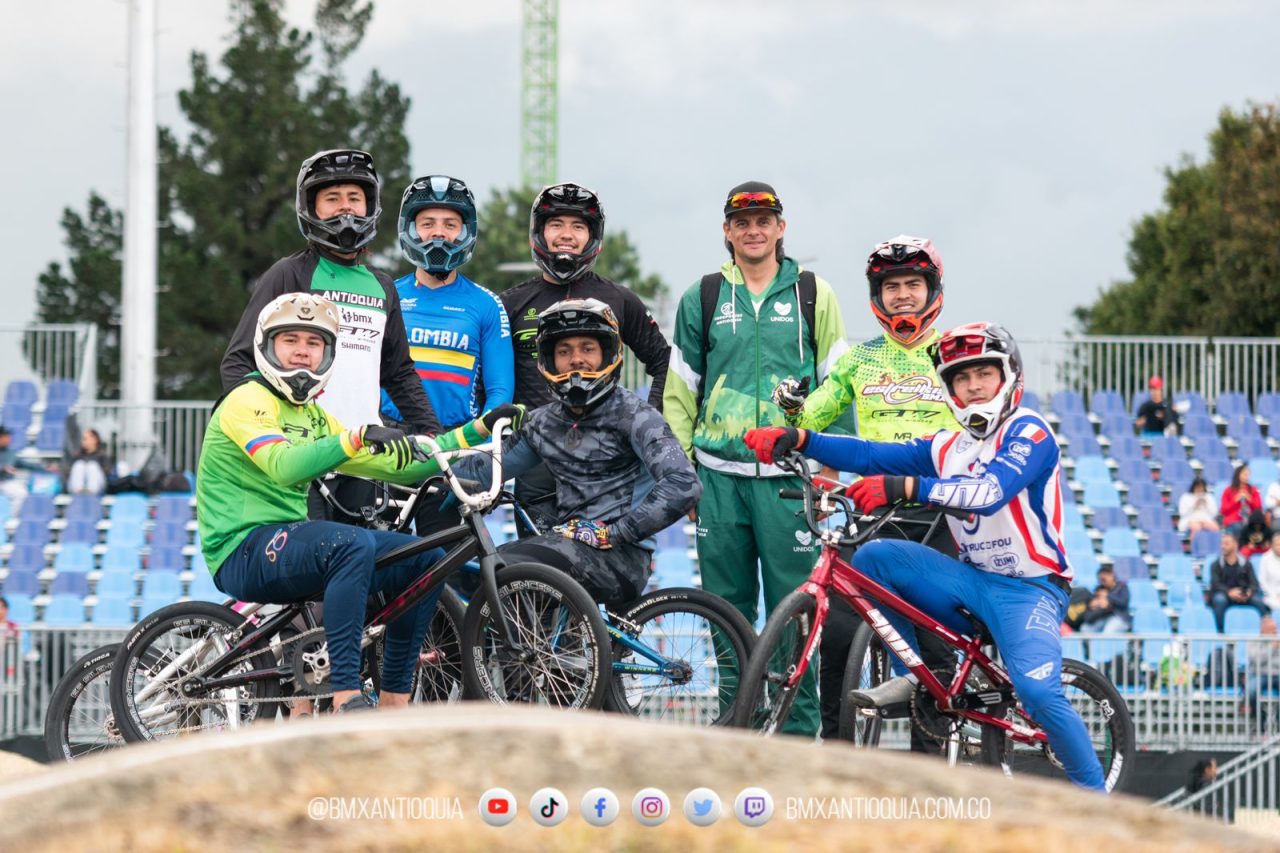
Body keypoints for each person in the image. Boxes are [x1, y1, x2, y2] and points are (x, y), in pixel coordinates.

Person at [743, 321, 1106, 789]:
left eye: (984, 374)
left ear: (1008, 376)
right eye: (961, 378)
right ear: (949, 388)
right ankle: (916, 678)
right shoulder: (948, 445)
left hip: (1032, 589)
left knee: (1037, 691)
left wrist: (909, 486)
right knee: (873, 559)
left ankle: (1097, 799)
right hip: (974, 582)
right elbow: (873, 455)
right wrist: (801, 439)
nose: (973, 386)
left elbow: (990, 491)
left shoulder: (1029, 431)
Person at [198, 292, 519, 713]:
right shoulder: (247, 399)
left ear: (327, 354)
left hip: (287, 542)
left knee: (426, 559)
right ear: (266, 347)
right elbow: (283, 466)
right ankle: (346, 695)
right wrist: (353, 437)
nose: (301, 352)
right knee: (352, 544)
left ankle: (394, 700)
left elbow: (402, 466)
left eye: (313, 344)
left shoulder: (312, 415)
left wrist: (477, 429)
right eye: (289, 340)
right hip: (241, 548)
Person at [664, 181, 849, 737]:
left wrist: (829, 467)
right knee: (726, 611)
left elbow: (837, 381)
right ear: (727, 231)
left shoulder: (814, 293)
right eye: (741, 222)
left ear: (781, 228)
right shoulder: (702, 297)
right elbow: (679, 390)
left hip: (790, 480)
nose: (753, 230)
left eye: (764, 220)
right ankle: (735, 724)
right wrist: (684, 475)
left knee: (795, 610)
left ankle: (795, 732)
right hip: (719, 478)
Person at [773, 234, 956, 746]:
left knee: (935, 645)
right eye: (892, 286)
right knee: (836, 632)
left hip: (940, 513)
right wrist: (791, 406)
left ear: (932, 290)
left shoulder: (953, 353)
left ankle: (932, 760)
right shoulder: (858, 360)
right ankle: (835, 749)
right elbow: (814, 417)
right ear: (878, 295)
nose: (902, 295)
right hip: (874, 511)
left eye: (912, 285)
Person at [218, 148, 442, 522]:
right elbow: (239, 363)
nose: (346, 209)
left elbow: (399, 372)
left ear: (369, 206)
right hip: (304, 461)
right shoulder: (288, 274)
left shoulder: (383, 286)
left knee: (367, 572)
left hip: (364, 461)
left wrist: (431, 431)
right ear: (311, 207)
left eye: (354, 198)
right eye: (332, 199)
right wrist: (267, 437)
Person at [460, 298, 699, 607]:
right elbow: (486, 468)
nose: (576, 359)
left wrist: (613, 533)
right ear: (549, 360)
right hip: (567, 551)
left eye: (587, 348)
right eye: (564, 351)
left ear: (607, 354)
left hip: (621, 559)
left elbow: (684, 484)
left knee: (503, 566)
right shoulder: (543, 422)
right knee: (464, 569)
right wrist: (421, 472)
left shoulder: (636, 415)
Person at [500, 182, 671, 533]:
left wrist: (647, 418)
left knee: (603, 570)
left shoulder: (621, 299)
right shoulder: (509, 304)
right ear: (539, 232)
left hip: (606, 459)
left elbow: (665, 362)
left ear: (593, 236)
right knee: (539, 573)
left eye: (578, 226)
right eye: (556, 225)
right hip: (536, 460)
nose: (567, 235)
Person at [378, 175, 514, 536]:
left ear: (465, 232)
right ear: (411, 229)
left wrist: (479, 448)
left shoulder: (486, 304)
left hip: (453, 446)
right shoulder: (386, 293)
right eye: (428, 223)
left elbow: (500, 392)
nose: (439, 233)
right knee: (378, 563)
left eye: (450, 224)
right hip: (389, 442)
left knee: (442, 567)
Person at [1206, 531, 1270, 633]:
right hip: (1225, 595)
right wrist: (1229, 592)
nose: (1223, 546)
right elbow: (1215, 584)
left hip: (1244, 595)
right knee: (1219, 600)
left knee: (1259, 602)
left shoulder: (1246, 563)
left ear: (1235, 545)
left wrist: (1249, 592)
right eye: (1222, 544)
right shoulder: (1215, 565)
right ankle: (1220, 633)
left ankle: (1267, 633)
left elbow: (1254, 583)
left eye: (1226, 544)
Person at [1245, 615, 1280, 731]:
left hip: (1278, 674)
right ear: (1263, 630)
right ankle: (1262, 720)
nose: (1275, 631)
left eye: (1275, 629)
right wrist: (1272, 647)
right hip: (1260, 675)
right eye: (1272, 629)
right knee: (1250, 690)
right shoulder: (1254, 642)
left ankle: (1279, 723)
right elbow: (1257, 660)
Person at [1079, 566, 1132, 634]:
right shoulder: (1100, 589)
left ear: (1112, 575)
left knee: (1108, 632)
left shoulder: (1122, 587)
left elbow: (1123, 602)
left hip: (1120, 618)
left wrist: (1108, 598)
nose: (1102, 582)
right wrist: (1095, 604)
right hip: (1103, 617)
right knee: (1085, 628)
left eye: (1104, 579)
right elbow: (1091, 604)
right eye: (1100, 580)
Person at [0, 426, 38, 515]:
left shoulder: (10, 453)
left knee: (21, 493)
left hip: (5, 482)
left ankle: (8, 518)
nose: (8, 439)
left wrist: (46, 468)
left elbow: (27, 465)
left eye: (8, 436)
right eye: (5, 436)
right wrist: (2, 468)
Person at [65, 428, 112, 495]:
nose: (83, 442)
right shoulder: (77, 456)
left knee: (92, 466)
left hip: (97, 489)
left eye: (85, 439)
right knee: (79, 465)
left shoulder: (102, 456)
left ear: (94, 440)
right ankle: (80, 492)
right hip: (76, 489)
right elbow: (68, 472)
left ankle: (90, 492)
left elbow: (107, 472)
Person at [1221, 463, 1261, 538]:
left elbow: (1258, 508)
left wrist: (1249, 499)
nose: (1247, 477)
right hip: (1234, 520)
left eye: (1248, 475)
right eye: (1245, 474)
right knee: (1238, 527)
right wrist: (1235, 500)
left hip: (1251, 519)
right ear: (1238, 475)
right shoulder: (1228, 490)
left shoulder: (1253, 490)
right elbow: (1224, 510)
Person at [1259, 533, 1280, 615]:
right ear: (1272, 545)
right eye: (1277, 544)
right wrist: (1275, 595)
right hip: (1271, 595)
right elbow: (1262, 581)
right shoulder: (1265, 558)